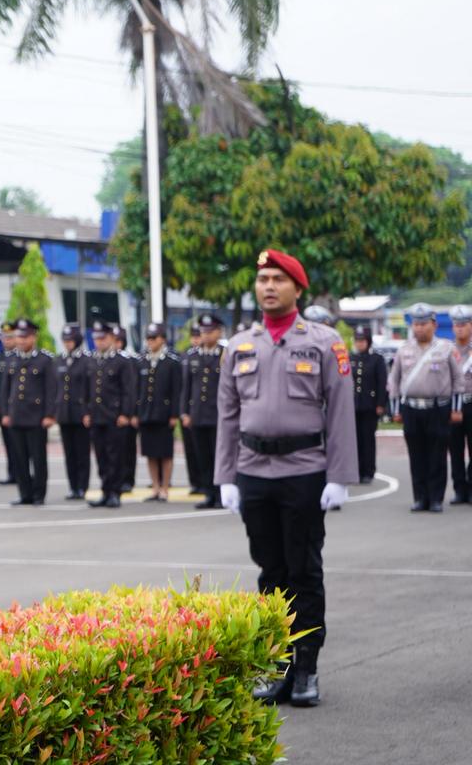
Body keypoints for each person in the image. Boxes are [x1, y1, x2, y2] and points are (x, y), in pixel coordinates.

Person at [215, 248, 358, 708]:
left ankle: (307, 669)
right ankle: (277, 667)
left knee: (304, 572)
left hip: (304, 471)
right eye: (263, 280)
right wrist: (226, 476)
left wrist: (339, 476)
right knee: (270, 572)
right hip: (254, 472)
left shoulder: (323, 342)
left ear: (298, 288)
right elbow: (227, 415)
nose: (269, 287)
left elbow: (340, 412)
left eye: (278, 279)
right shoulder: (239, 345)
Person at [387, 303, 460, 512]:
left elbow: (457, 380)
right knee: (416, 455)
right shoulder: (404, 350)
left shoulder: (446, 348)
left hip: (438, 408)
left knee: (437, 455)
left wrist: (456, 409)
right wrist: (396, 410)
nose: (419, 328)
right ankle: (420, 497)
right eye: (416, 324)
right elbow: (394, 381)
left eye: (423, 324)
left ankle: (436, 498)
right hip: (411, 409)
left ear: (434, 325)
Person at [0, 318, 55, 506]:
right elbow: (5, 390)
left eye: (25, 337)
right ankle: (25, 494)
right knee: (19, 458)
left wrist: (49, 414)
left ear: (34, 337)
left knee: (38, 458)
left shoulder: (44, 359)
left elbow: (51, 390)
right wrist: (5, 413)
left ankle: (39, 494)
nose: (21, 341)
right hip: (16, 415)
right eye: (19, 337)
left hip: (36, 417)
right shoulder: (11, 359)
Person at [85, 320, 135, 508]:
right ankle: (105, 491)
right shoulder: (92, 360)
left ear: (112, 338)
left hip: (114, 416)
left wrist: (125, 413)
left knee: (115, 456)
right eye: (96, 338)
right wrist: (86, 411)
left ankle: (115, 492)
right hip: (97, 415)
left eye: (103, 338)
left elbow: (128, 390)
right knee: (101, 456)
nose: (99, 342)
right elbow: (87, 389)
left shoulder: (121, 361)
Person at [134, 323, 181, 502]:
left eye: (153, 338)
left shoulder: (171, 362)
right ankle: (155, 487)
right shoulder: (142, 361)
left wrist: (174, 414)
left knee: (165, 453)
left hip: (164, 414)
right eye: (148, 338)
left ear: (162, 339)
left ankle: (165, 488)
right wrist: (136, 412)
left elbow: (176, 390)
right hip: (146, 413)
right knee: (150, 453)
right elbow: (138, 389)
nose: (150, 341)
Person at [182, 314, 224, 510]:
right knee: (203, 457)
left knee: (218, 457)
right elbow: (187, 387)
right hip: (198, 414)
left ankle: (221, 494)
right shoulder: (193, 356)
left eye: (210, 331)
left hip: (218, 415)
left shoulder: (224, 355)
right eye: (203, 331)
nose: (206, 335)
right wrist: (185, 412)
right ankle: (208, 494)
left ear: (219, 332)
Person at [53, 323, 91, 500]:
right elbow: (56, 387)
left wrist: (87, 411)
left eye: (70, 340)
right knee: (69, 453)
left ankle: (82, 486)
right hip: (64, 412)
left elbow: (88, 389)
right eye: (65, 340)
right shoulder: (59, 360)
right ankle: (73, 486)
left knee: (82, 452)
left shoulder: (86, 360)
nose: (67, 343)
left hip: (80, 412)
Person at [350, 325, 388, 486]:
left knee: (367, 439)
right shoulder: (350, 358)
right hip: (353, 406)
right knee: (354, 440)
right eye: (357, 340)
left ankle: (368, 471)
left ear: (368, 342)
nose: (359, 344)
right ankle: (356, 470)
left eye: (362, 341)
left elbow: (382, 383)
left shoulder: (376, 359)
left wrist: (380, 404)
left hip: (369, 406)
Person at [0, 322, 20, 487]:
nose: (6, 340)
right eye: (4, 337)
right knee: (8, 442)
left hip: (17, 407)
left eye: (10, 337)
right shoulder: (1, 357)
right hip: (3, 407)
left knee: (18, 443)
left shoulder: (19, 356)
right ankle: (12, 473)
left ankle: (21, 472)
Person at [447, 305, 472, 504]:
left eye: (464, 325)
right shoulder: (447, 350)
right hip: (453, 406)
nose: (460, 328)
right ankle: (459, 490)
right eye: (457, 325)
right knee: (455, 450)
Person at [113, 325, 140, 493]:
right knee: (114, 451)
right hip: (112, 413)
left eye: (118, 341)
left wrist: (133, 413)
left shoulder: (131, 361)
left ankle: (128, 479)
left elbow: (134, 389)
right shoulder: (109, 360)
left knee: (128, 449)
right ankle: (116, 480)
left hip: (128, 413)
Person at [181, 324, 204, 495]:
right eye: (193, 337)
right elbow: (184, 387)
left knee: (205, 452)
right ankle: (195, 482)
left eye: (198, 336)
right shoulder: (187, 356)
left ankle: (207, 484)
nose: (195, 340)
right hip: (191, 410)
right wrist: (183, 412)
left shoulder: (216, 354)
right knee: (191, 450)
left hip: (206, 412)